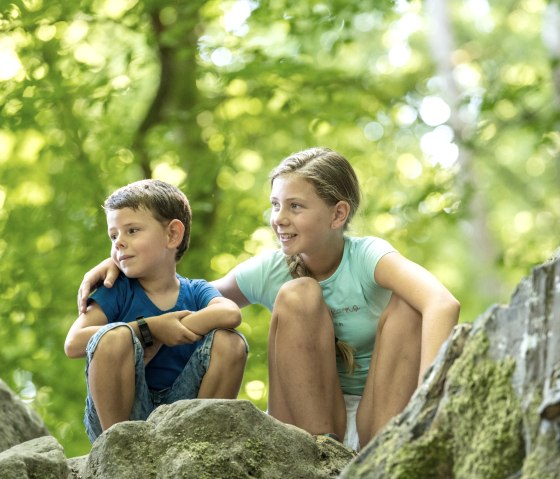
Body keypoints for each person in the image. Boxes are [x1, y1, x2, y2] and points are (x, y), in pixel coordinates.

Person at [78, 148, 460, 450]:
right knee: (298, 293)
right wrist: (125, 258)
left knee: (410, 305)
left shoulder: (368, 257)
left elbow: (442, 304)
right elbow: (179, 297)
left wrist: (431, 397)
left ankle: (384, 455)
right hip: (309, 419)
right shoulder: (270, 269)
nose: (279, 217)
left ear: (337, 214)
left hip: (382, 413)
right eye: (276, 205)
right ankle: (321, 454)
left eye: (295, 206)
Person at [66, 179, 248, 443]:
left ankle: (201, 446)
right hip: (123, 416)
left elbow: (230, 314)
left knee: (230, 342)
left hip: (183, 414)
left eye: (132, 230)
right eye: (113, 235)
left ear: (172, 234)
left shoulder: (195, 290)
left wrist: (174, 329)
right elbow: (74, 343)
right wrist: (149, 329)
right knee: (114, 336)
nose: (119, 243)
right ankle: (119, 449)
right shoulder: (117, 289)